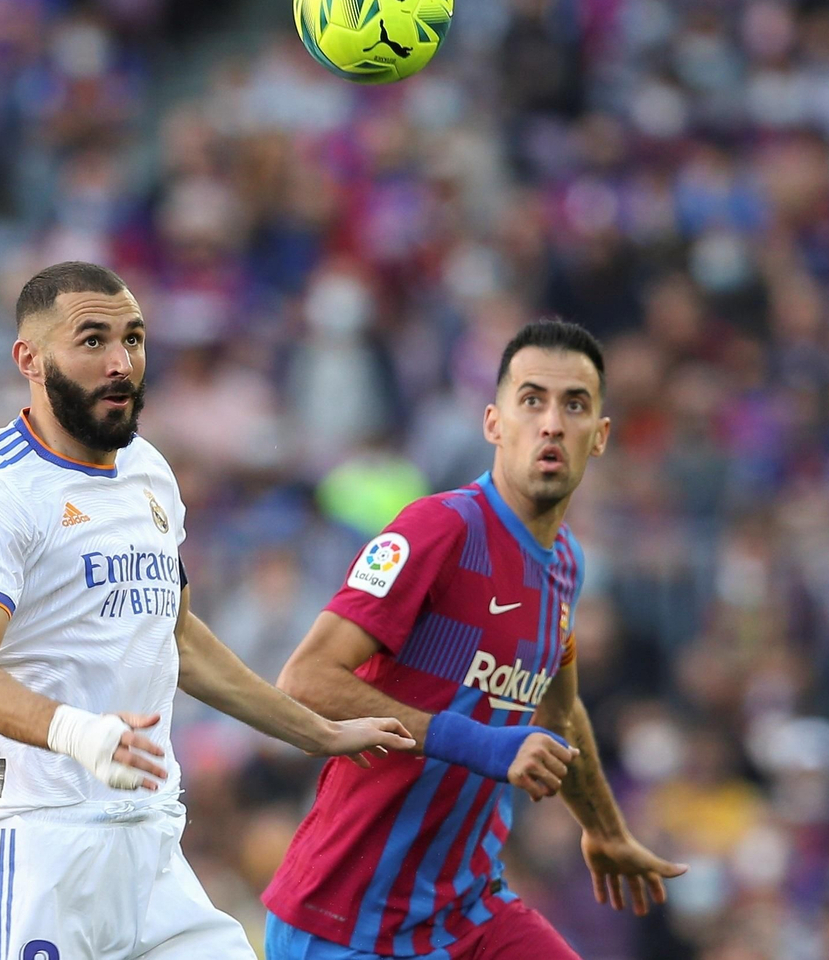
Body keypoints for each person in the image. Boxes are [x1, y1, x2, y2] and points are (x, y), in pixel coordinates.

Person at [0, 261, 413, 960]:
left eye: (134, 338)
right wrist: (83, 735)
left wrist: (311, 730)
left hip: (149, 845)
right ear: (28, 360)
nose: (121, 362)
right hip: (35, 845)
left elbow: (175, 635)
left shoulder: (149, 471)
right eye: (92, 341)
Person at [264, 320, 686, 959]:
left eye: (574, 405)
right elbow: (306, 679)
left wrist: (604, 830)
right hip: (345, 918)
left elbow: (559, 711)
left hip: (468, 912)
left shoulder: (566, 566)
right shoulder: (439, 530)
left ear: (599, 437)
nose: (551, 423)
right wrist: (477, 743)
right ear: (494, 423)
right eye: (532, 400)